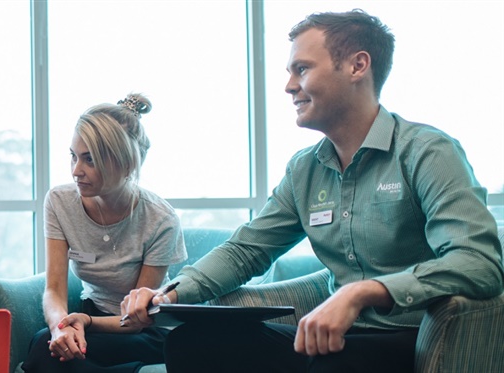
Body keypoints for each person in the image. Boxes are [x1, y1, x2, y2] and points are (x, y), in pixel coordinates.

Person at [120, 9, 504, 373]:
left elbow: (479, 262)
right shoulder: (304, 169)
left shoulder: (427, 152)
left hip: (412, 336)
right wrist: (169, 294)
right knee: (195, 341)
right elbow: (245, 251)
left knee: (334, 363)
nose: (289, 86)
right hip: (332, 341)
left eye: (301, 70)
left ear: (357, 66)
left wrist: (362, 292)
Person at [21, 95, 186, 373]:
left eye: (90, 160)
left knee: (56, 358)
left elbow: (137, 317)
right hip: (89, 316)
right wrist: (60, 328)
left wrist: (85, 322)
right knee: (45, 345)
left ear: (127, 164)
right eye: (73, 156)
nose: (76, 171)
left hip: (142, 328)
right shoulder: (60, 202)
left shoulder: (161, 219)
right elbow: (54, 290)